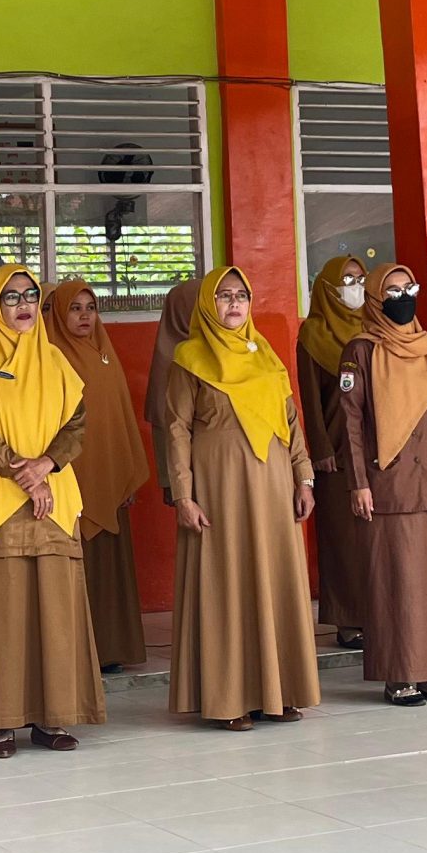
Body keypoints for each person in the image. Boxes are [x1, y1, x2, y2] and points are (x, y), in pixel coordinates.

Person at [0, 266, 103, 758]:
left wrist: (47, 465)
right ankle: (0, 721)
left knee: (54, 610)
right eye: (10, 297)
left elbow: (76, 423)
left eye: (31, 296)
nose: (23, 305)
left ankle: (52, 717)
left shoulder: (54, 361)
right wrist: (25, 472)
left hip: (51, 500)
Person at [161, 266, 318, 729]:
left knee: (276, 583)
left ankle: (280, 689)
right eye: (224, 296)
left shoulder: (266, 355)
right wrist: (184, 496)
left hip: (273, 492)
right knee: (227, 585)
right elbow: (176, 431)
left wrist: (304, 478)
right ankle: (231, 698)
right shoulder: (190, 358)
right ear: (209, 304)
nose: (234, 304)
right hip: (220, 492)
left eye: (241, 295)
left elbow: (291, 423)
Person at [336, 263, 427, 706]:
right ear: (376, 299)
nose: (402, 298)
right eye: (391, 291)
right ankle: (401, 674)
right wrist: (358, 483)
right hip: (387, 480)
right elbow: (350, 424)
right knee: (396, 581)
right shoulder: (360, 350)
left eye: (408, 288)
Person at [46, 281, 151, 670]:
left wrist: (125, 471)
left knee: (109, 566)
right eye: (74, 308)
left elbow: (122, 417)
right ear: (58, 313)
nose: (85, 316)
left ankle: (111, 649)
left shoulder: (105, 353)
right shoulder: (50, 357)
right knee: (76, 566)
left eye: (90, 307)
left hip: (108, 477)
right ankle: (77, 656)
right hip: (70, 479)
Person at [294, 256, 371, 649]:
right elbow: (309, 396)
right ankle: (346, 618)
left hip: (372, 447)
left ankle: (376, 611)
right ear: (327, 286)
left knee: (374, 535)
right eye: (346, 279)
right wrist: (320, 448)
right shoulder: (313, 334)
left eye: (360, 279)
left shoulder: (373, 326)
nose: (355, 286)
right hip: (335, 452)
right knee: (342, 537)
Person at [143, 278, 198, 510]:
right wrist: (170, 482)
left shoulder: (223, 348)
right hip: (185, 470)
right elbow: (162, 422)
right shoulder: (169, 358)